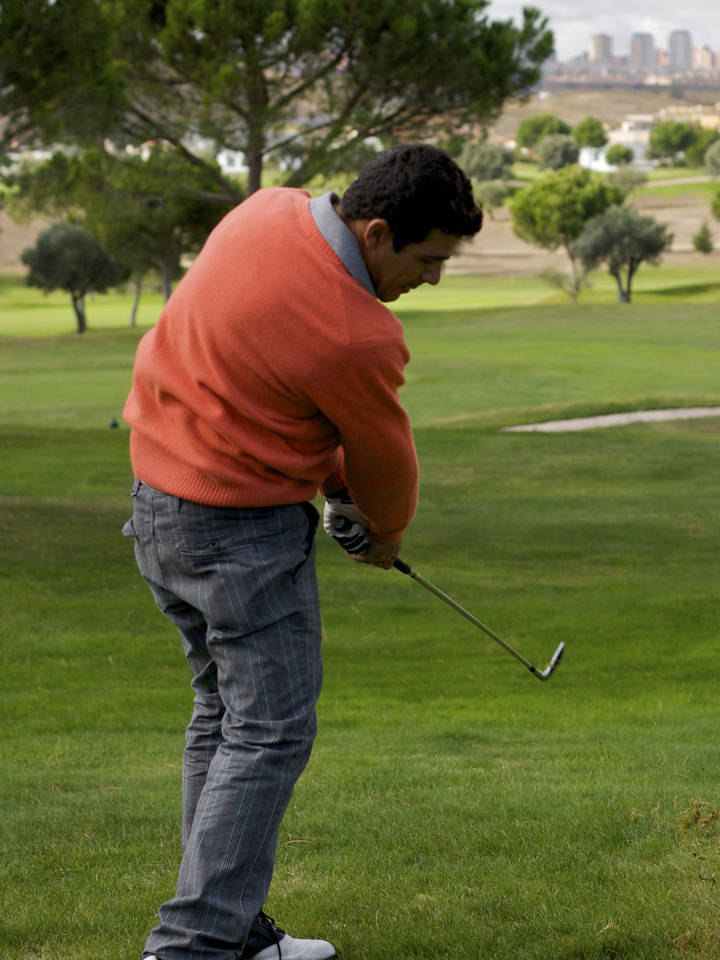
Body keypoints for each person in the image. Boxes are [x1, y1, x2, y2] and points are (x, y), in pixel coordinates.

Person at [121, 143, 483, 960]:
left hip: (157, 508)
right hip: (238, 532)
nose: (432, 279)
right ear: (379, 231)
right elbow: (387, 463)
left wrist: (327, 481)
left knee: (223, 717)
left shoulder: (261, 212)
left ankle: (235, 930)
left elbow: (257, 381)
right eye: (428, 260)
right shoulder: (359, 334)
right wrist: (382, 529)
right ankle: (191, 948)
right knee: (270, 732)